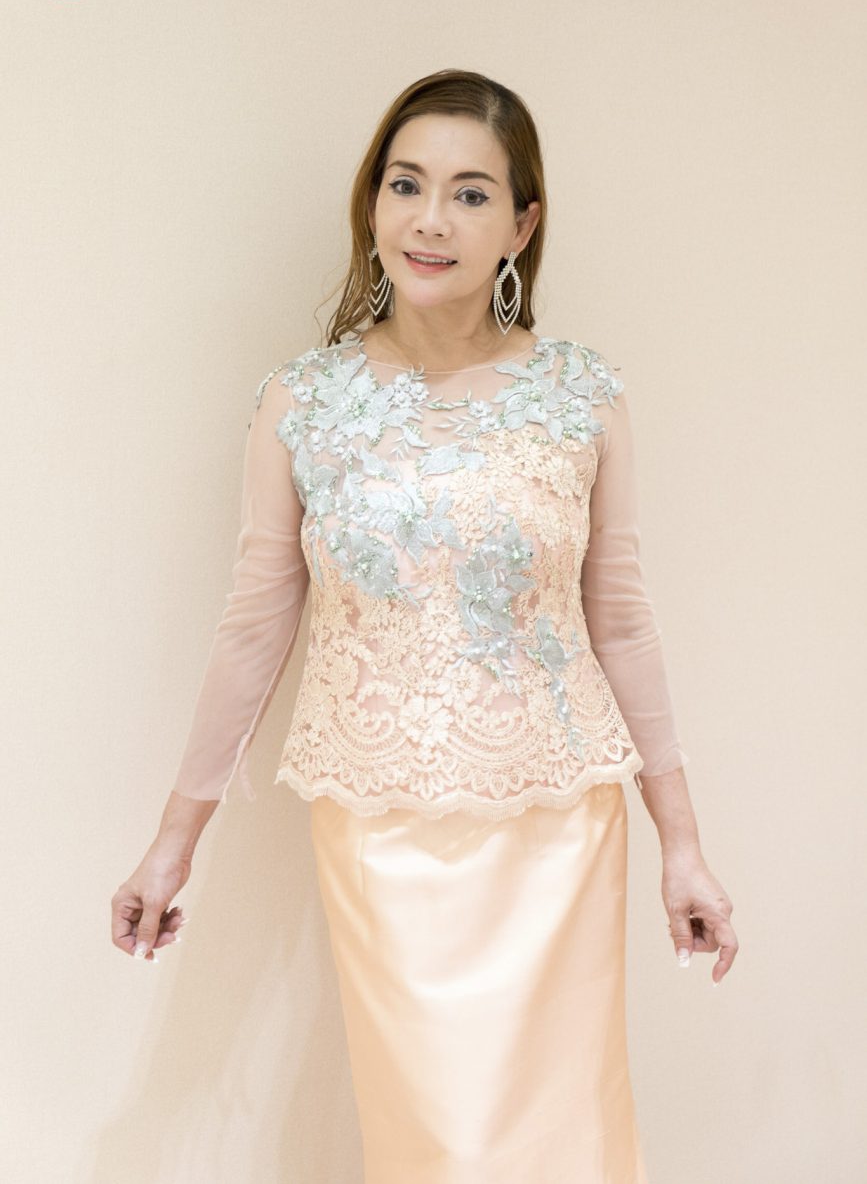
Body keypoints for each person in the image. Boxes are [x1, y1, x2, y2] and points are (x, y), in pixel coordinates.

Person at [111, 68, 738, 1180]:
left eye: (470, 193)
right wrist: (174, 842)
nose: (430, 220)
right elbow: (254, 627)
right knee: (437, 1139)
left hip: (558, 820)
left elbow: (623, 621)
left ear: (522, 225)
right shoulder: (302, 401)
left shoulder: (580, 395)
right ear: (372, 203)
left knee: (561, 1136)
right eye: (405, 185)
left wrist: (682, 844)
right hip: (379, 825)